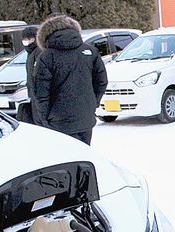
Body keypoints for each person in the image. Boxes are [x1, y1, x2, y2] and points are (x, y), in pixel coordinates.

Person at [34, 15, 108, 145]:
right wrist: (92, 103)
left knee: (65, 157)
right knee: (85, 154)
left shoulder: (46, 57)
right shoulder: (90, 51)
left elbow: (41, 93)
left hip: (58, 120)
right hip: (85, 116)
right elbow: (101, 81)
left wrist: (44, 117)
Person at [16, 25, 42, 124]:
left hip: (38, 94)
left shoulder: (39, 51)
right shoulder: (29, 53)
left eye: (29, 38)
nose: (27, 41)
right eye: (25, 39)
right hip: (33, 94)